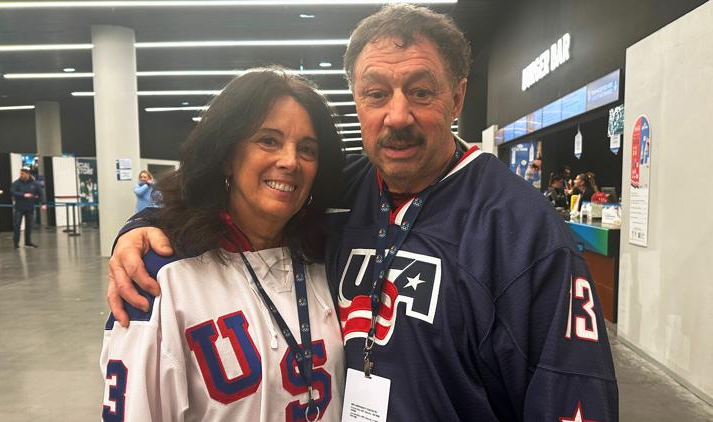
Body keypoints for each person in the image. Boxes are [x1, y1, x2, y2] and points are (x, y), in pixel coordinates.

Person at [106, 5, 618, 421]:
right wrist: (143, 227)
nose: (397, 116)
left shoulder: (521, 228)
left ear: (458, 96)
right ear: (357, 101)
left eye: (420, 91)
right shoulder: (335, 193)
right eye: (377, 94)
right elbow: (239, 206)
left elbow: (573, 392)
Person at [100, 68, 346, 421]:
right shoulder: (160, 277)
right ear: (227, 155)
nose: (290, 161)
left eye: (307, 149)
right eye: (268, 140)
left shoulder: (327, 258)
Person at [11, 168, 44, 248]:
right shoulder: (16, 183)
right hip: (19, 208)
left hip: (30, 207)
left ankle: (28, 242)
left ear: (27, 174)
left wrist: (43, 203)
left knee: (29, 226)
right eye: (20, 174)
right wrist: (23, 195)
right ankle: (16, 243)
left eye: (22, 174)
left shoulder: (35, 183)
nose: (21, 175)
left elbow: (40, 193)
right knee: (17, 225)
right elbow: (12, 191)